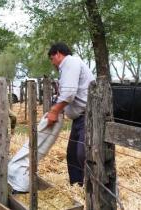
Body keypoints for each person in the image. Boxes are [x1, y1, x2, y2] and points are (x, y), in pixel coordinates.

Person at [47, 42, 95, 186]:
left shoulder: (70, 62)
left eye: (51, 59)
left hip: (88, 116)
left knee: (83, 154)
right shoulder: (68, 67)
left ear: (58, 54)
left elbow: (69, 93)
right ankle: (78, 187)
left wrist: (55, 110)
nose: (52, 63)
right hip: (79, 118)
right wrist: (56, 108)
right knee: (73, 155)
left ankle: (94, 188)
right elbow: (66, 93)